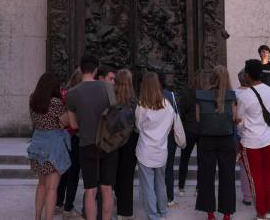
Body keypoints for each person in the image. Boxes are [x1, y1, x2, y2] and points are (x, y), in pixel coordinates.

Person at [66, 54, 118, 220]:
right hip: (108, 144)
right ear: (96, 70)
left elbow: (73, 125)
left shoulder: (72, 93)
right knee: (107, 188)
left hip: (87, 143)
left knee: (90, 189)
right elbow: (114, 115)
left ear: (81, 69)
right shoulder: (108, 88)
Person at [135, 72, 184, 220]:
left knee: (148, 186)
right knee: (160, 183)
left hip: (145, 151)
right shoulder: (168, 105)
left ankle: (152, 215)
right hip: (161, 150)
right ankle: (162, 212)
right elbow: (170, 127)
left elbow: (138, 127)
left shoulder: (141, 106)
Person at [236, 59, 270, 220]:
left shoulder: (245, 96)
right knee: (267, 175)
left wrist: (243, 129)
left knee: (255, 178)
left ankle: (261, 211)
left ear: (247, 75)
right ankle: (269, 208)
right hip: (268, 139)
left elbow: (239, 120)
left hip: (250, 142)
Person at [27, 73, 71, 220]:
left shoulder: (33, 99)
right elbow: (66, 122)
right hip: (53, 146)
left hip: (38, 143)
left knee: (41, 185)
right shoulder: (56, 103)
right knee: (52, 188)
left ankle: (37, 217)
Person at [195, 65, 236, 220]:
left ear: (212, 77)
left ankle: (210, 213)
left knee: (206, 176)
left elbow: (198, 119)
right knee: (227, 176)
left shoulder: (201, 95)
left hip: (206, 139)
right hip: (226, 139)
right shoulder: (232, 96)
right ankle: (226, 214)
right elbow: (233, 119)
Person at [56, 69, 83, 219]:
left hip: (62, 136)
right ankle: (68, 207)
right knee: (73, 173)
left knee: (63, 171)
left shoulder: (63, 93)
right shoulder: (79, 95)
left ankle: (58, 201)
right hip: (75, 135)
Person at [114, 69, 138, 220]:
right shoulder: (135, 101)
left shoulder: (111, 98)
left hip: (113, 140)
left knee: (113, 172)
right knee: (127, 176)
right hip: (130, 140)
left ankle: (116, 197)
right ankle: (125, 212)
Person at [178, 69, 204, 196]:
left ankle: (181, 187)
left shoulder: (187, 93)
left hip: (189, 129)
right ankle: (199, 188)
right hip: (203, 130)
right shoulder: (207, 93)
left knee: (184, 159)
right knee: (201, 160)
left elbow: (181, 112)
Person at [234, 68, 253, 206]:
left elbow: (235, 116)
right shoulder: (255, 93)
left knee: (243, 166)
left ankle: (247, 196)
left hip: (239, 133)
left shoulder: (234, 93)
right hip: (254, 133)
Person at [160, 72, 178, 206]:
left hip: (155, 138)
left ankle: (157, 197)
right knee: (169, 168)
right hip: (169, 137)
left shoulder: (150, 95)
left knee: (157, 169)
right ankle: (170, 197)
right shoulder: (172, 96)